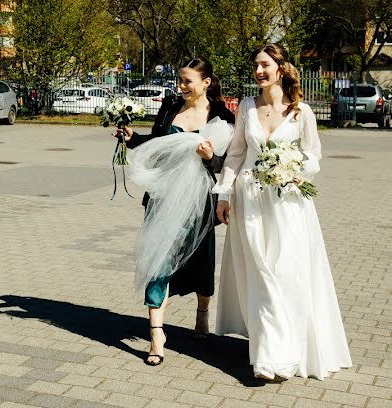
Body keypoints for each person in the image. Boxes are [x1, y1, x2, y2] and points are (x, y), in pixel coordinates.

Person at [214, 43, 351, 381]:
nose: (258, 71)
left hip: (289, 203)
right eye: (255, 66)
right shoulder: (246, 107)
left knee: (286, 271)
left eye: (264, 64)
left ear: (280, 67)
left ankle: (289, 348)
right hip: (250, 199)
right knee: (261, 271)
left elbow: (312, 154)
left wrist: (297, 172)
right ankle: (268, 356)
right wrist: (223, 194)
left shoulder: (301, 111)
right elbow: (235, 154)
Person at [121, 58, 235, 366]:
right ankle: (157, 335)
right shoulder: (170, 108)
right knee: (159, 259)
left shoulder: (222, 118)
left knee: (201, 261)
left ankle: (202, 314)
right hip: (163, 197)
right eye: (179, 80)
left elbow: (227, 166)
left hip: (199, 203)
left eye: (187, 81)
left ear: (206, 82)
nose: (181, 86)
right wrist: (134, 140)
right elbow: (158, 144)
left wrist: (210, 157)